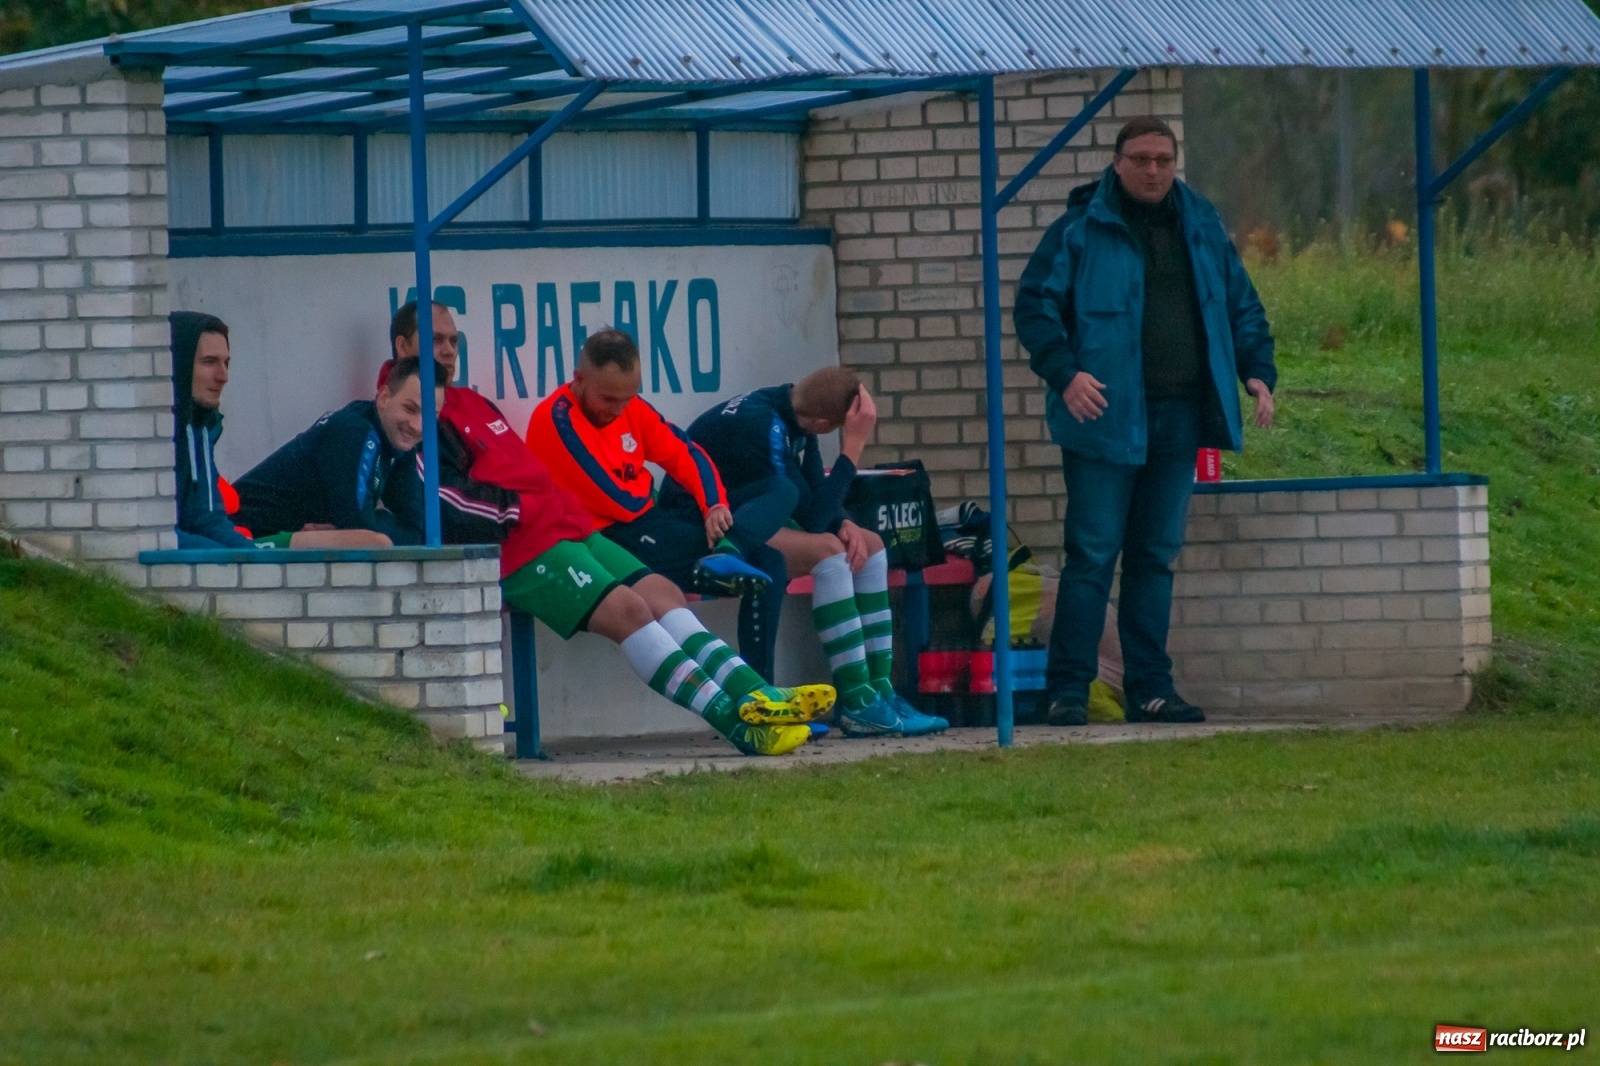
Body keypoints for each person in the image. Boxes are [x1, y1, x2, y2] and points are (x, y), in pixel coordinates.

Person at [385, 301, 832, 757]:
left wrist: (711, 501)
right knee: (632, 613)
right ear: (403, 346)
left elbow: (681, 451)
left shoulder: (470, 401)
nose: (448, 350)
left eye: (453, 340)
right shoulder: (418, 413)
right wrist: (519, 511)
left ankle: (753, 691)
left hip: (565, 527)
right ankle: (739, 724)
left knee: (663, 594)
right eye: (435, 340)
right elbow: (440, 495)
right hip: (522, 546)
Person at [1014, 116, 1278, 727]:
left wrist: (1257, 371)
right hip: (1104, 419)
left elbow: (1241, 304)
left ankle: (1152, 691)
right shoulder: (1082, 228)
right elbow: (1034, 307)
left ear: (1174, 162)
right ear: (1116, 162)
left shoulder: (1203, 225)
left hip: (1181, 416)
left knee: (1154, 558)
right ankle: (1067, 692)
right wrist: (1066, 374)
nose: (1153, 170)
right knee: (1093, 556)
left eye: (1163, 159)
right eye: (1140, 159)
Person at [675, 367, 948, 739]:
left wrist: (842, 521)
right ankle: (856, 702)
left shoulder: (794, 414)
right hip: (701, 525)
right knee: (830, 553)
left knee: (872, 545)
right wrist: (852, 449)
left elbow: (815, 501)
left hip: (746, 516)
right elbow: (810, 514)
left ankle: (878, 691)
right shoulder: (762, 425)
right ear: (822, 423)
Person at [526, 328, 785, 679]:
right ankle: (752, 690)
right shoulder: (555, 420)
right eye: (608, 399)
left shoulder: (630, 406)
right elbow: (619, 502)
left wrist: (714, 506)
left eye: (628, 398)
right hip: (606, 540)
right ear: (579, 379)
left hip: (649, 523)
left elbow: (686, 453)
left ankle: (762, 687)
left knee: (771, 553)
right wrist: (650, 489)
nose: (618, 410)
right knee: (760, 563)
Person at [233, 357, 442, 546]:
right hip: (241, 538)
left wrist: (350, 529)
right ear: (384, 398)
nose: (417, 426)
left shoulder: (399, 442)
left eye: (430, 416)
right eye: (410, 409)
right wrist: (353, 529)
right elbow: (364, 533)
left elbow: (414, 535)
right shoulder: (354, 431)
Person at [171, 311, 257, 550]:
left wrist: (255, 561)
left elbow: (208, 519)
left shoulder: (202, 427)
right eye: (209, 362)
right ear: (179, 363)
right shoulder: (151, 433)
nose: (223, 376)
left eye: (226, 363)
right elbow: (150, 537)